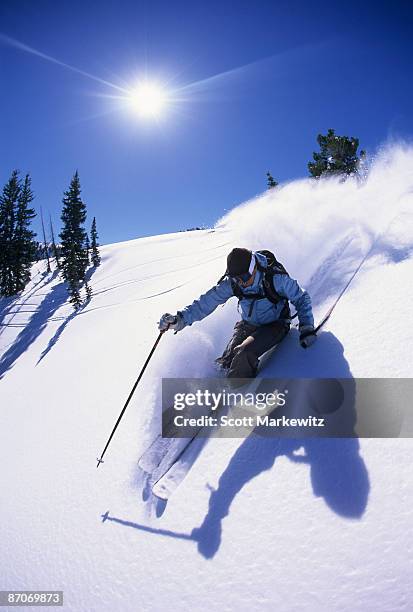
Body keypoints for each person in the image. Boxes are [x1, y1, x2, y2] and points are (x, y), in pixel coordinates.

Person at [159, 248, 316, 380]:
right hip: (249, 324)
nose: (241, 282)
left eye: (244, 277)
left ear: (253, 268)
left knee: (243, 355)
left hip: (275, 324)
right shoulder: (234, 284)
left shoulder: (275, 278)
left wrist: (307, 326)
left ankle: (237, 395)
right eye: (236, 279)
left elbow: (301, 298)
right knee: (225, 362)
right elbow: (205, 303)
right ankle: (215, 394)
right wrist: (179, 319)